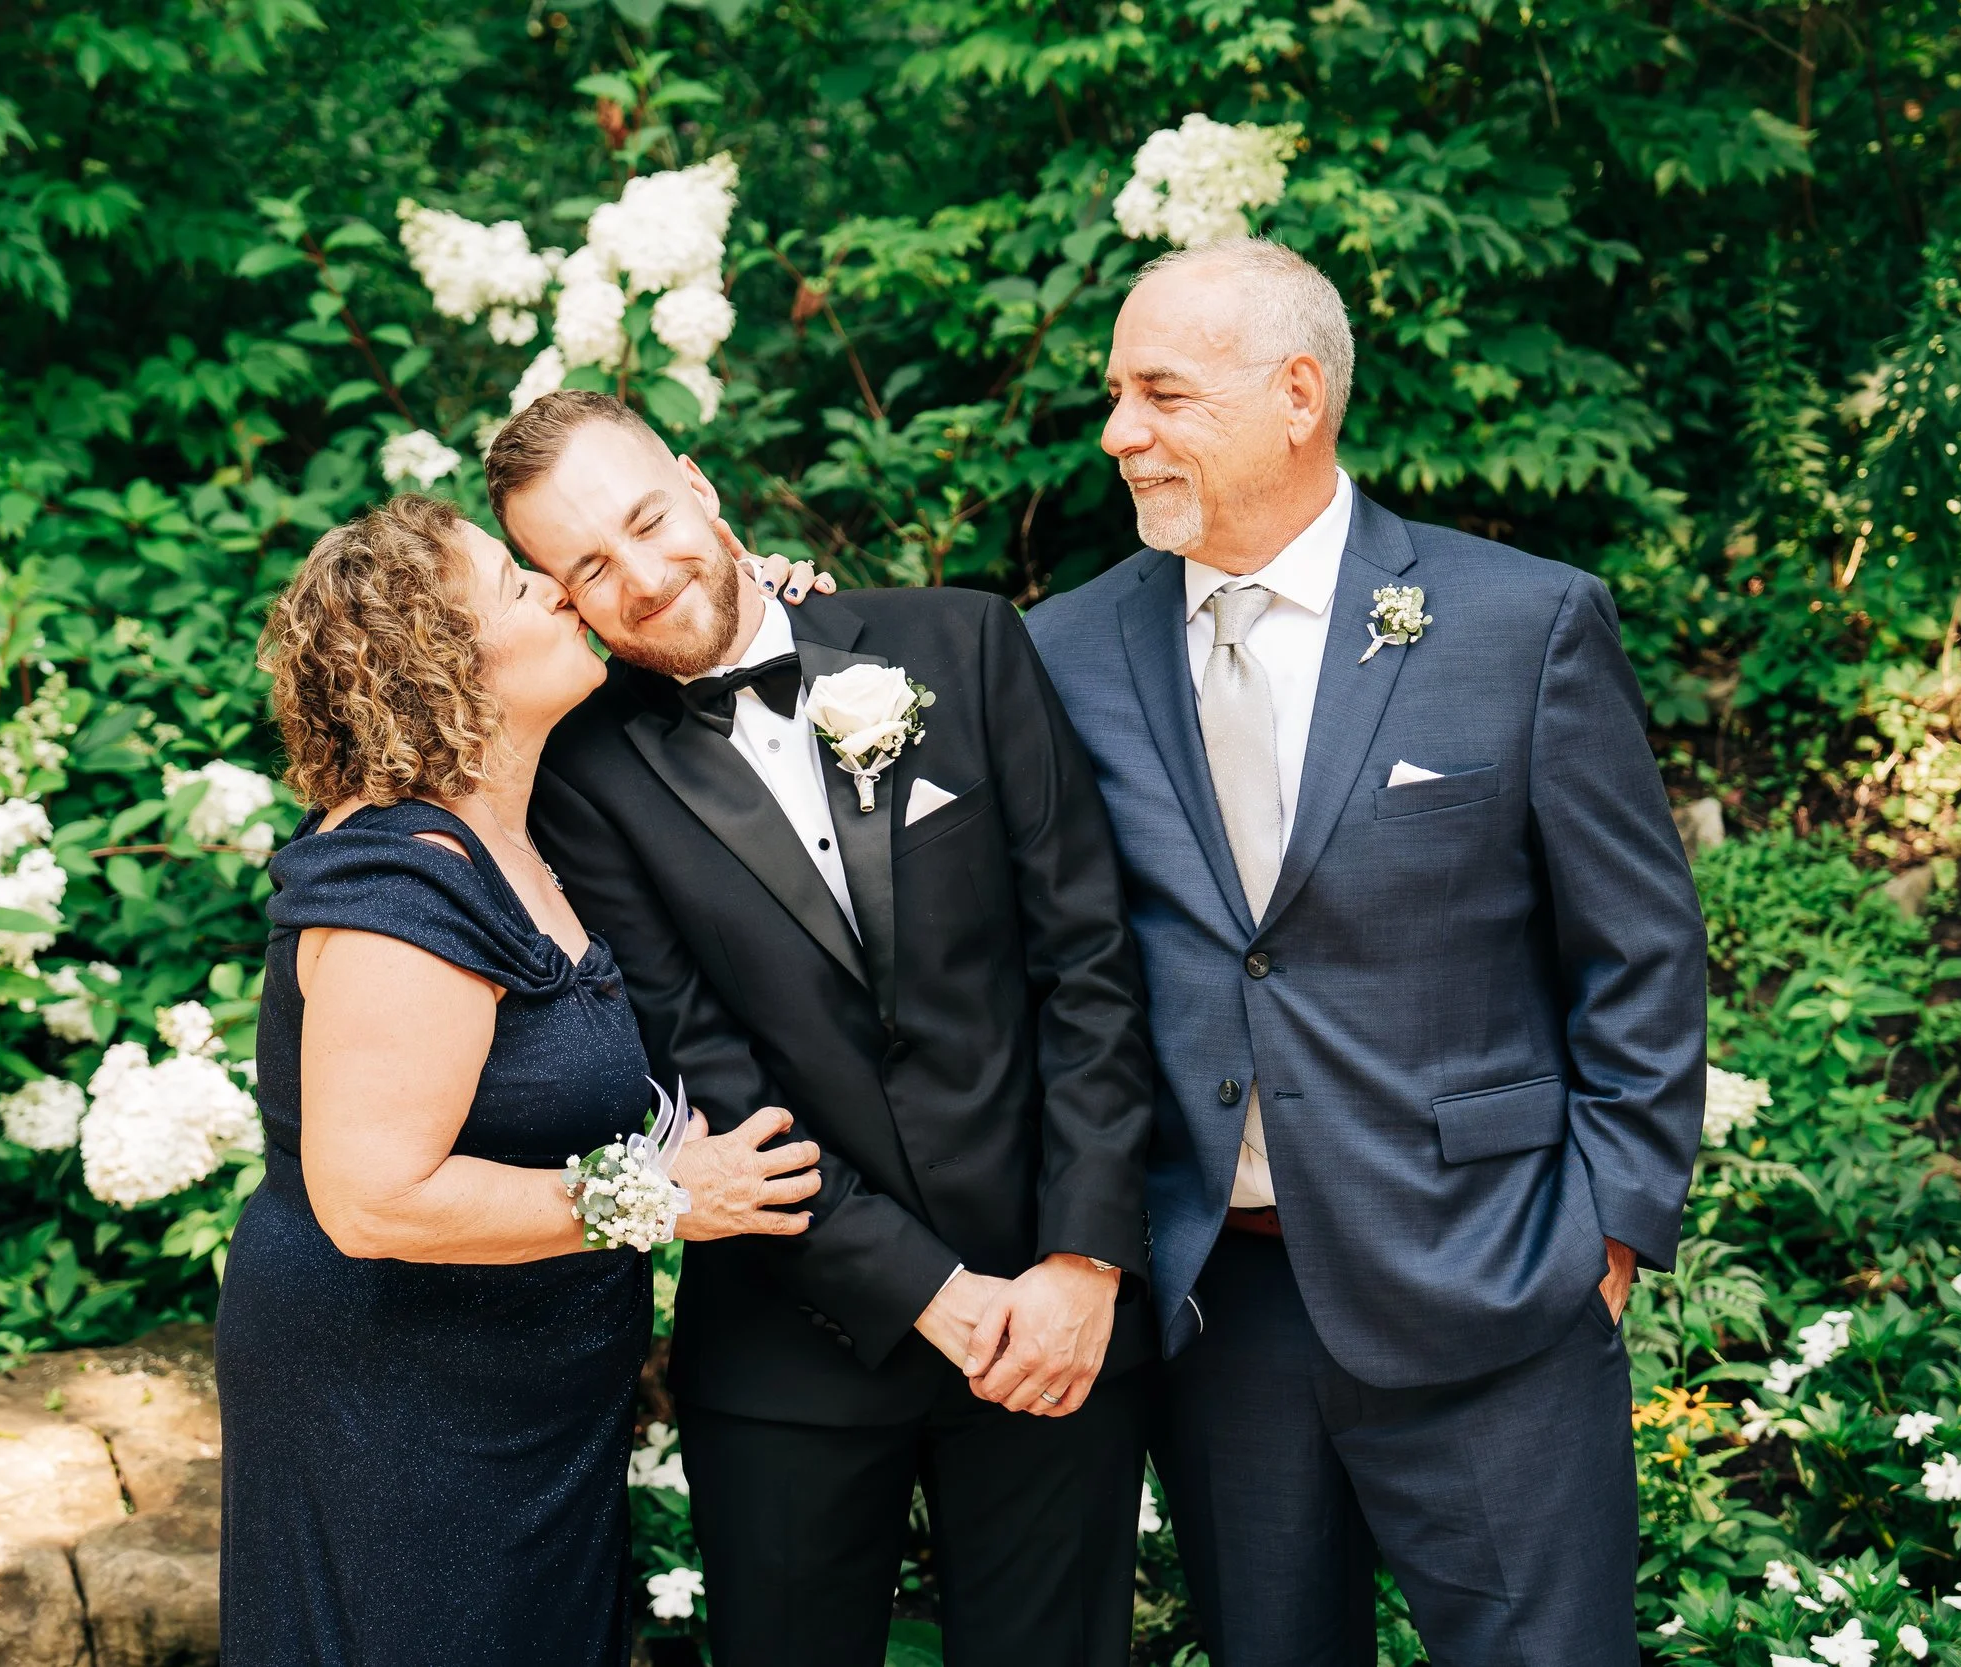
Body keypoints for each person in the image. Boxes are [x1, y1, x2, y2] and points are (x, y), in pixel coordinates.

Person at [1027, 239, 1708, 1665]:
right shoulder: (1062, 651)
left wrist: (1614, 1233)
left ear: (1297, 395)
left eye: (1160, 392)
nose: (1118, 433)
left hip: (1496, 1279)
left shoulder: (1522, 625)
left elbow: (1637, 949)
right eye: (1113, 392)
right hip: (1226, 1308)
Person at [491, 389, 1157, 1667]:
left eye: (644, 518)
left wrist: (1080, 1261)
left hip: (1051, 1319)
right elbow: (702, 1077)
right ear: (558, 593)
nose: (640, 574)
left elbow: (1090, 964)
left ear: (698, 482)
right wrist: (928, 1293)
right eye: (587, 564)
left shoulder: (961, 645)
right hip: (793, 1361)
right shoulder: (581, 778)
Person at [215, 495, 824, 1667]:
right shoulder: (407, 886)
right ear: (438, 663)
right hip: (399, 1404)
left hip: (521, 1398)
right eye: (516, 584)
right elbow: (376, 1197)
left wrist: (765, 601)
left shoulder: (516, 822)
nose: (557, 587)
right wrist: (663, 1196)